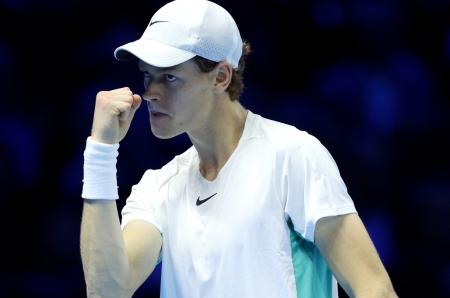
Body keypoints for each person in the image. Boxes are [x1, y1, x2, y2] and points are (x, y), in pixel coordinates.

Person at [80, 0, 398, 297]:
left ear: (220, 77)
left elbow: (374, 289)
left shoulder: (293, 155)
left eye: (170, 77)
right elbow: (108, 291)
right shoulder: (157, 188)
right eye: (147, 75)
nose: (149, 92)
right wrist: (100, 153)